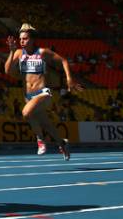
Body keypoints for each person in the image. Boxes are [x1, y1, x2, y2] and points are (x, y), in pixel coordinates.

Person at [4, 23, 81, 160]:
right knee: (46, 124)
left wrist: (69, 79)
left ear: (32, 39)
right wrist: (11, 51)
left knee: (26, 113)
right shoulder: (18, 53)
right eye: (21, 39)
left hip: (43, 93)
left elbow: (63, 60)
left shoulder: (42, 52)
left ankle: (40, 140)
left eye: (25, 38)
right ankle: (62, 143)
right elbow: (7, 71)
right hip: (28, 96)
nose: (22, 41)